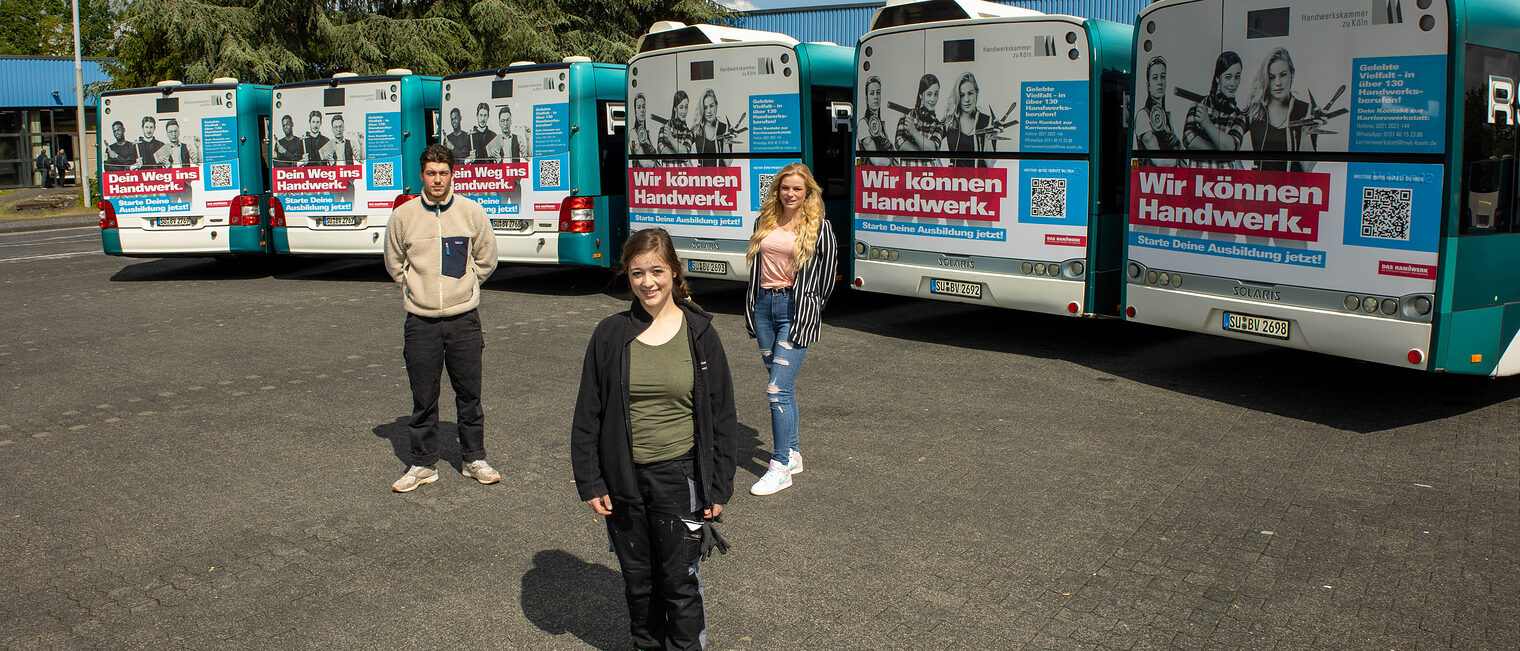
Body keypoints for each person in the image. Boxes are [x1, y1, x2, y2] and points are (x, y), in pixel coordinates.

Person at [571, 227, 738, 651]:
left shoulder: (699, 333)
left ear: (674, 272)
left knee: (680, 584)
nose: (648, 282)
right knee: (639, 585)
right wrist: (591, 481)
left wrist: (718, 483)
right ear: (627, 275)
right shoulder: (610, 335)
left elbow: (722, 415)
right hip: (624, 480)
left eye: (657, 271)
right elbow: (588, 414)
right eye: (637, 272)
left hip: (678, 477)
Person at [383, 144, 501, 493]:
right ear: (422, 175)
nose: (438, 179)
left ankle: (474, 458)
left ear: (453, 174)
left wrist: (465, 286)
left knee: (469, 395)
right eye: (431, 173)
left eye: (443, 173)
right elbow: (394, 262)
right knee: (424, 396)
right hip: (420, 322)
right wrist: (414, 288)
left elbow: (486, 259)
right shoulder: (403, 216)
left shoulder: (471, 213)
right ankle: (422, 464)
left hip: (463, 319)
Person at [743, 162, 838, 496]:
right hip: (764, 308)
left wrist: (811, 307)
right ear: (777, 190)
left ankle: (780, 465)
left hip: (794, 310)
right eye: (786, 188)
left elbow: (826, 275)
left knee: (775, 390)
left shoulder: (819, 227)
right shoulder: (764, 221)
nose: (791, 193)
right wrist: (752, 309)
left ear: (807, 192)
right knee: (780, 385)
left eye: (798, 188)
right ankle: (794, 451)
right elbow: (757, 268)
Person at [1245, 47, 1320, 169]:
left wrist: (1306, 135)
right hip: (1262, 187)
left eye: (1283, 75)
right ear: (1266, 79)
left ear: (1292, 74)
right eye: (1272, 77)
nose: (1278, 82)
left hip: (1293, 188)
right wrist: (1242, 174)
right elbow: (1227, 143)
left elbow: (1308, 167)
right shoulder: (1254, 109)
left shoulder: (1306, 109)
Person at [1183, 51, 1247, 168]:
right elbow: (1189, 139)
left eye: (1237, 77)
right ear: (1218, 78)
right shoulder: (1200, 104)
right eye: (1228, 77)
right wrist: (1221, 150)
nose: (1233, 83)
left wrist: (1206, 124)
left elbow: (1231, 147)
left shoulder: (1239, 116)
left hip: (1224, 184)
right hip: (1198, 180)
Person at [1134, 57, 1183, 167]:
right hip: (1149, 180)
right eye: (1155, 78)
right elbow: (1159, 161)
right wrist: (1179, 158)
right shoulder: (1143, 116)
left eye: (1163, 77)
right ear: (1148, 85)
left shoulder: (1166, 118)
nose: (1160, 82)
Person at [941, 72, 993, 167]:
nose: (967, 99)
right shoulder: (950, 120)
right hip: (957, 181)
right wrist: (941, 171)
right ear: (957, 96)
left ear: (976, 93)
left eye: (970, 93)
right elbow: (931, 146)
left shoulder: (987, 121)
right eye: (962, 95)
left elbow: (990, 165)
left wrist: (988, 139)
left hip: (979, 181)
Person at [895, 74, 943, 165]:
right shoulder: (907, 116)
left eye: (936, 94)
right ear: (921, 95)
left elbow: (933, 149)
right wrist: (925, 153)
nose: (933, 99)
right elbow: (899, 143)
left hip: (928, 178)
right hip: (908, 176)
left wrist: (913, 132)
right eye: (929, 94)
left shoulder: (938, 125)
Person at [856, 76, 895, 166]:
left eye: (878, 93)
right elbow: (876, 161)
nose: (876, 97)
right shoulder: (863, 123)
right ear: (866, 99)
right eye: (872, 93)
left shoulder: (882, 125)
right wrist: (892, 160)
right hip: (870, 176)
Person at [691, 89, 730, 168]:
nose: (709, 111)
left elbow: (728, 163)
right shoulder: (697, 129)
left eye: (711, 106)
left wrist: (727, 143)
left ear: (716, 105)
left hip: (720, 178)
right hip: (703, 178)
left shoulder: (724, 128)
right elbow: (683, 150)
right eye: (705, 107)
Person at [657, 90, 693, 159]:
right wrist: (679, 156)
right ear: (675, 108)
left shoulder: (689, 132)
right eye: (681, 107)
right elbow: (661, 148)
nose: (684, 111)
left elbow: (685, 152)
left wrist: (670, 138)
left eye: (686, 107)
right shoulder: (665, 126)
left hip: (683, 170)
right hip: (668, 170)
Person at [629, 93, 656, 165]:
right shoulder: (633, 134)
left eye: (643, 107)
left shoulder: (647, 133)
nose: (642, 110)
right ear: (635, 111)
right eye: (639, 107)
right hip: (641, 174)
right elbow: (644, 162)